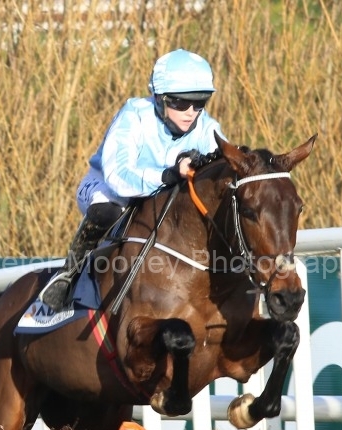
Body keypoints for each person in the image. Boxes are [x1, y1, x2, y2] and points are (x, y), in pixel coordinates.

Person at [39, 49, 226, 309]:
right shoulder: (134, 115)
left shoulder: (209, 128)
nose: (191, 112)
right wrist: (169, 174)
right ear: (159, 99)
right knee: (110, 206)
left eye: (200, 102)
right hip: (106, 188)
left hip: (163, 197)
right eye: (181, 103)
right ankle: (68, 274)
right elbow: (119, 176)